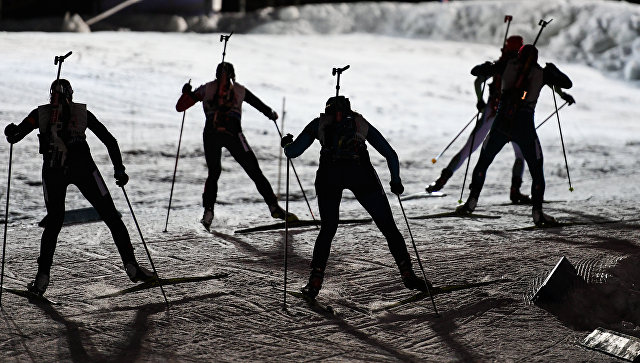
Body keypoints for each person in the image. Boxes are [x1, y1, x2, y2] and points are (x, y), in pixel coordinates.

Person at [4, 79, 155, 296]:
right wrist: (119, 169)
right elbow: (110, 141)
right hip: (84, 167)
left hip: (54, 170)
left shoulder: (40, 114)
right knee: (111, 217)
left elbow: (15, 136)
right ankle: (131, 265)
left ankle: (42, 279)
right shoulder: (82, 113)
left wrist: (10, 130)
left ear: (50, 96)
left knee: (54, 222)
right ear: (71, 95)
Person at [282, 95, 431, 299]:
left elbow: (293, 152)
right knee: (387, 226)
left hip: (329, 176)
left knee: (328, 229)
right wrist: (396, 181)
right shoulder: (359, 123)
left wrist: (287, 144)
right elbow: (390, 154)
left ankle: (315, 282)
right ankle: (407, 273)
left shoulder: (319, 124)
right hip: (361, 174)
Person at [456, 44, 575, 226]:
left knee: (483, 162)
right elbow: (568, 84)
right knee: (536, 170)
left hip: (501, 124)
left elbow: (475, 71)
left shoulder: (506, 66)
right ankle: (537, 213)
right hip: (525, 126)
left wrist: (497, 63)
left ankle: (471, 202)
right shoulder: (542, 73)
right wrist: (553, 70)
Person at [176, 62, 298, 231]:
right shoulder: (240, 90)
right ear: (234, 75)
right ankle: (274, 207)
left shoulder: (206, 88)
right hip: (234, 134)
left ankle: (208, 212)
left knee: (214, 172)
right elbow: (260, 105)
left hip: (211, 134)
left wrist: (186, 93)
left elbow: (180, 107)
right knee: (255, 171)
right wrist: (271, 114)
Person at [426, 35, 533, 204]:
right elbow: (527, 92)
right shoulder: (523, 68)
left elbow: (478, 80)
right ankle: (515, 191)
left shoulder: (500, 65)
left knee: (469, 148)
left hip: (491, 111)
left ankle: (441, 180)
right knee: (520, 154)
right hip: (514, 116)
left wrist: (480, 101)